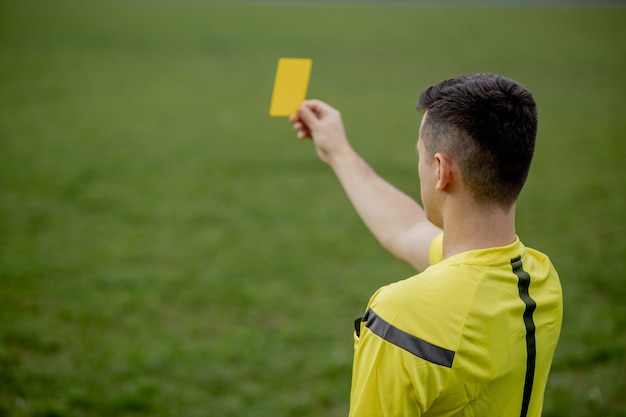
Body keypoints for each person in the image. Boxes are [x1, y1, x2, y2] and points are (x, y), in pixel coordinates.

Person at [289, 73, 563, 417]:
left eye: (421, 156)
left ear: (440, 170)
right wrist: (338, 152)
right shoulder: (541, 279)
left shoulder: (403, 318)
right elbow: (406, 229)